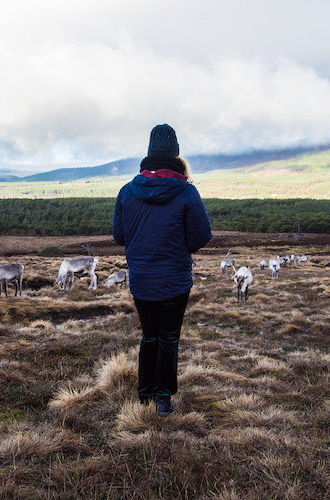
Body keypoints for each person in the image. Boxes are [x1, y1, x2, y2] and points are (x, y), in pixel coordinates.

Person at [112, 124, 212, 417]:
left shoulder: (128, 192)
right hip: (175, 281)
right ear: (175, 155)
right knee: (169, 337)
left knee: (149, 335)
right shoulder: (187, 192)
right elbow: (199, 238)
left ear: (150, 154)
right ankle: (163, 399)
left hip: (142, 280)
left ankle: (144, 394)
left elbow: (120, 236)